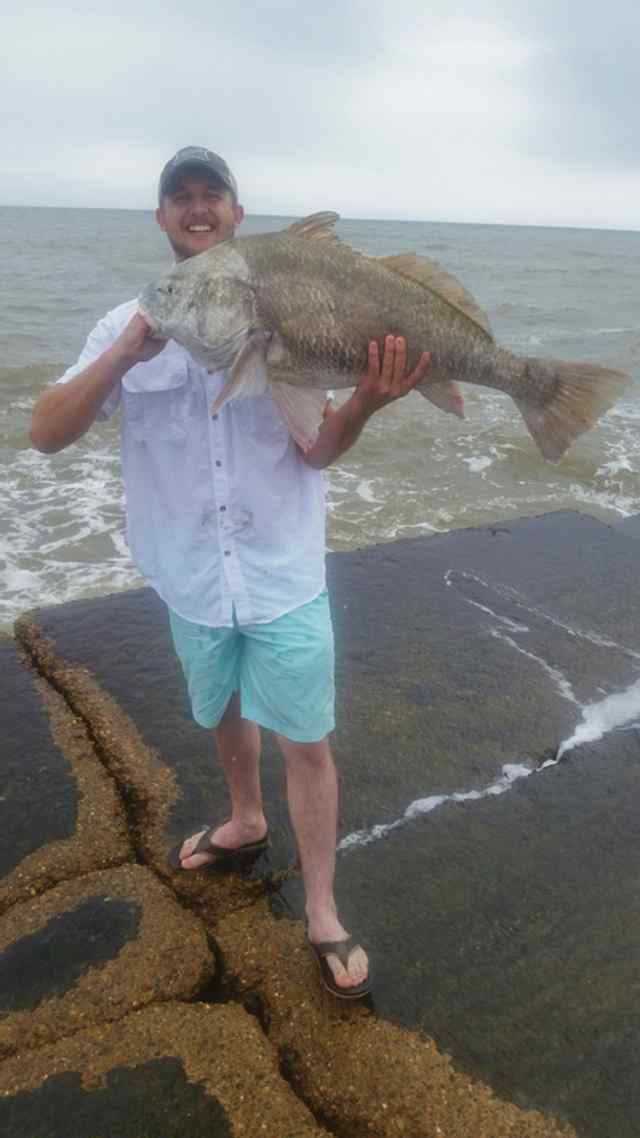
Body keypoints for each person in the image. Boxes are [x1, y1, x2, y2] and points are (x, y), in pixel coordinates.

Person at [30, 146, 434, 998]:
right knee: (221, 710)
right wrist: (124, 355)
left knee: (307, 741)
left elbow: (316, 450)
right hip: (191, 575)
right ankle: (246, 819)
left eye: (212, 194)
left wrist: (366, 401)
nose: (197, 206)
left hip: (282, 571)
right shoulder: (126, 324)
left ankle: (321, 909)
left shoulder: (278, 307)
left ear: (237, 215)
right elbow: (46, 433)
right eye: (181, 196)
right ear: (162, 218)